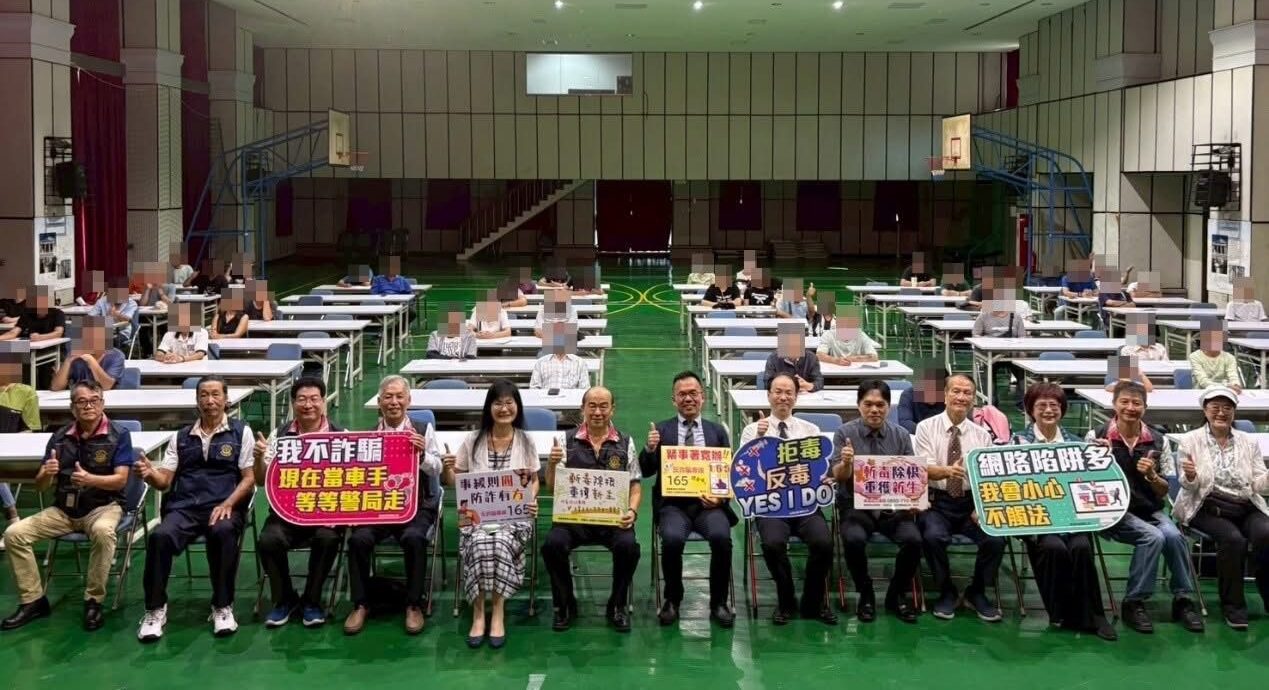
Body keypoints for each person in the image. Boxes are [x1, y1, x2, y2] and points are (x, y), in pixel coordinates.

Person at [0, 380, 133, 632]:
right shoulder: (60, 437)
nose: (88, 406)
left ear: (102, 404)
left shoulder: (119, 434)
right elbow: (41, 487)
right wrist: (46, 474)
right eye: (81, 401)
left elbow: (121, 480)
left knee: (103, 532)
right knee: (14, 534)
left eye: (93, 400)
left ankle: (94, 600)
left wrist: (90, 479)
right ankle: (33, 600)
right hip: (64, 510)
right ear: (73, 408)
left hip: (104, 506)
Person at [135, 375, 256, 641]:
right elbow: (164, 482)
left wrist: (228, 503)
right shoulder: (180, 437)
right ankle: (155, 609)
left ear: (226, 399)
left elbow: (249, 478)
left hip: (224, 505)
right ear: (197, 400)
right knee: (159, 537)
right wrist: (150, 474)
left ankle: (222, 606)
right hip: (185, 507)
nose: (210, 400)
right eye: (204, 395)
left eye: (215, 394)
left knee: (223, 532)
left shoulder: (241, 432)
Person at [1091, 380, 1203, 634]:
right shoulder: (1097, 436)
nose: (1130, 408)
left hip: (1148, 509)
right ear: (1114, 405)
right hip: (1113, 512)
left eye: (1137, 403)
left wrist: (1152, 476)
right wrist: (1100, 461)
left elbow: (1164, 490)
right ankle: (1133, 601)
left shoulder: (1158, 440)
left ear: (1145, 407)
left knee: (1174, 536)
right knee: (1153, 537)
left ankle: (1183, 599)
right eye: (1124, 402)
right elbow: (1085, 482)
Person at [1011, 383, 1117, 640]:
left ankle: (1094, 616)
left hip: (1072, 517)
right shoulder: (1017, 443)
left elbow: (1092, 482)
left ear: (1062, 409)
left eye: (1054, 405)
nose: (1048, 410)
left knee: (1081, 547)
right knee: (1053, 548)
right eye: (1041, 405)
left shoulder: (1078, 444)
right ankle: (1061, 613)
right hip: (1036, 518)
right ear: (1030, 410)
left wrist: (1101, 457)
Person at [440, 379, 540, 648]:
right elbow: (455, 482)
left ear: (517, 407)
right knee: (480, 542)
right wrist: (448, 468)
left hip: (514, 517)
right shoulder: (472, 439)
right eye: (498, 403)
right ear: (489, 407)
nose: (504, 408)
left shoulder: (526, 441)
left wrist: (531, 498)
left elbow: (533, 480)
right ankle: (477, 612)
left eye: (509, 402)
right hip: (477, 517)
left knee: (500, 542)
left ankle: (497, 610)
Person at [343, 375, 443, 636]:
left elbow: (438, 469)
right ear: (379, 402)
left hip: (416, 506)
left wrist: (422, 455)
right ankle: (361, 603)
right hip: (379, 507)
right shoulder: (368, 436)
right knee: (358, 540)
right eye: (388, 397)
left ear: (409, 400)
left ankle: (413, 604)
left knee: (414, 538)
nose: (394, 402)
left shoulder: (422, 429)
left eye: (399, 397)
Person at [638, 371, 736, 628]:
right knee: (671, 540)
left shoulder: (717, 432)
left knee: (721, 538)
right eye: (682, 394)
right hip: (673, 506)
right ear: (674, 400)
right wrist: (650, 449)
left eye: (693, 393)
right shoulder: (661, 430)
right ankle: (672, 599)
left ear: (702, 397)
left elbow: (728, 474)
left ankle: (718, 601)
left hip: (709, 507)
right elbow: (645, 471)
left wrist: (719, 499)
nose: (688, 398)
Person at [737, 374, 837, 625]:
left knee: (824, 543)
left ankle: (813, 601)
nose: (783, 397)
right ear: (768, 395)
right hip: (770, 506)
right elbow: (745, 472)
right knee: (772, 544)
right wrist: (759, 441)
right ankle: (786, 599)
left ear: (796, 396)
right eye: (778, 392)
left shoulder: (810, 430)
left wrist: (825, 479)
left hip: (805, 505)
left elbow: (818, 470)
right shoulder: (752, 430)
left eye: (788, 392)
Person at [543, 386, 642, 632]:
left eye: (603, 406)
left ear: (612, 409)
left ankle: (617, 605)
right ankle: (565, 604)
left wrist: (632, 511)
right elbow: (552, 488)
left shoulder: (625, 442)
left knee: (629, 547)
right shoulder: (565, 441)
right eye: (592, 406)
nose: (598, 412)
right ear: (583, 409)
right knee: (552, 545)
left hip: (612, 520)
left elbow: (635, 485)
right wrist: (552, 465)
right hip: (573, 520)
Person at [1172, 386, 1269, 630]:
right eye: (1215, 407)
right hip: (1206, 505)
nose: (1221, 413)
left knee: (1266, 533)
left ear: (1234, 412)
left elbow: (1258, 485)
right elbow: (1187, 485)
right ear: (1205, 410)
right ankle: (1233, 606)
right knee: (1233, 540)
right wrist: (1191, 476)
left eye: (1227, 408)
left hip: (1244, 504)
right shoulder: (1190, 440)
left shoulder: (1248, 441)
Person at [253, 377, 345, 629]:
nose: (308, 405)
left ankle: (312, 601)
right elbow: (260, 480)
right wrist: (259, 459)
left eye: (314, 399)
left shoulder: (342, 436)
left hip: (325, 513)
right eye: (302, 399)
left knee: (328, 538)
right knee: (268, 540)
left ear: (324, 402)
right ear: (293, 403)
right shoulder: (279, 435)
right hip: (287, 513)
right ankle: (285, 599)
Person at [915, 373, 1005, 622]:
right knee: (932, 537)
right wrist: (947, 471)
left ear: (973, 399)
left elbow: (988, 477)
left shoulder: (982, 435)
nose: (961, 397)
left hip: (971, 503)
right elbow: (922, 468)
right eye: (956, 391)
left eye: (967, 393)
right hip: (937, 501)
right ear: (945, 395)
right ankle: (947, 591)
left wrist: (981, 507)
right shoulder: (925, 427)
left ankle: (977, 592)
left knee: (996, 539)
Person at [831, 380, 922, 623]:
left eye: (880, 405)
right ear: (858, 405)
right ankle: (866, 592)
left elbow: (911, 476)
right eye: (868, 404)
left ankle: (896, 594)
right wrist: (847, 463)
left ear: (889, 407)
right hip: (856, 506)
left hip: (893, 507)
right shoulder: (844, 433)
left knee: (914, 540)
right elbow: (838, 476)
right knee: (853, 539)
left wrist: (914, 499)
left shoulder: (901, 435)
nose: (874, 410)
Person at [0, 346, 39, 549]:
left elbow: (31, 430)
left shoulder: (26, 393)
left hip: (13, 449)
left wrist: (10, 442)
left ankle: (12, 518)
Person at [50, 317, 125, 392]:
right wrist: (68, 361)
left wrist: (91, 361)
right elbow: (56, 387)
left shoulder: (116, 356)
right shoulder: (75, 355)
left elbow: (106, 386)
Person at [530, 322, 589, 390]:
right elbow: (534, 388)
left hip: (571, 396)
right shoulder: (541, 362)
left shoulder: (580, 363)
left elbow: (585, 389)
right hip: (546, 396)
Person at [764, 325, 823, 392]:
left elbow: (819, 382)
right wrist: (788, 385)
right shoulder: (773, 358)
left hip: (805, 395)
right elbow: (767, 382)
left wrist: (808, 385)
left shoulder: (811, 358)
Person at [87, 276, 138, 350]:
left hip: (122, 332)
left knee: (107, 341)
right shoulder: (102, 301)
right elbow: (89, 317)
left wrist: (116, 315)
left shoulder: (131, 303)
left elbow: (127, 320)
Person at [0, 285, 65, 342]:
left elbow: (58, 333)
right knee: (5, 349)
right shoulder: (27, 313)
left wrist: (40, 337)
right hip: (30, 347)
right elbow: (14, 332)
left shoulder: (58, 314)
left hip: (52, 347)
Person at [1188, 324, 1243, 391]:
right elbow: (1203, 382)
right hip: (1202, 392)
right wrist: (1226, 386)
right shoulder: (1194, 356)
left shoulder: (1230, 358)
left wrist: (1236, 385)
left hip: (1225, 392)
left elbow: (1233, 376)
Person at [815, 311, 879, 365]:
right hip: (836, 372)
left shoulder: (861, 335)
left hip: (857, 373)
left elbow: (874, 357)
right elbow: (819, 355)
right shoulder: (829, 334)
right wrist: (835, 360)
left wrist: (851, 359)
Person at [896, 369, 946, 434]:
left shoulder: (948, 397)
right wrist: (927, 433)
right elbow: (905, 421)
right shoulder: (908, 395)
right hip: (917, 434)